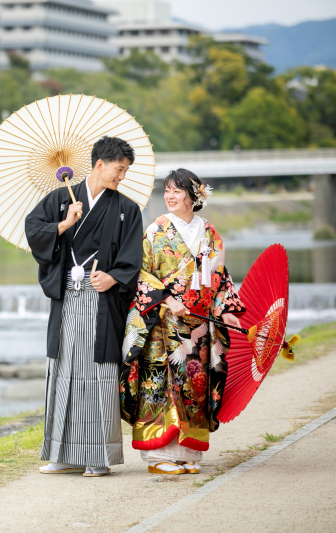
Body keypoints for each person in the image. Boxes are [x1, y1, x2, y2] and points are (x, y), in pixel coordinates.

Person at [25, 136, 144, 477]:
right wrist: (64, 224)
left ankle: (98, 457)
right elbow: (33, 228)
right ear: (99, 165)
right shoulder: (61, 199)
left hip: (102, 299)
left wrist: (114, 278)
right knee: (64, 370)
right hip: (67, 296)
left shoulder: (127, 209)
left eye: (125, 171)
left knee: (97, 374)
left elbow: (132, 258)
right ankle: (62, 453)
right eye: (118, 170)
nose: (121, 177)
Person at [120, 169, 246, 475]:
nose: (170, 196)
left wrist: (228, 308)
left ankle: (188, 453)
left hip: (199, 327)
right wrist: (167, 300)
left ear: (194, 196)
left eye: (177, 191)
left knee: (194, 388)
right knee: (161, 388)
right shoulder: (156, 230)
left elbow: (220, 276)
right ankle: (158, 455)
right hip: (164, 326)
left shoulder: (210, 233)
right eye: (167, 191)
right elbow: (142, 272)